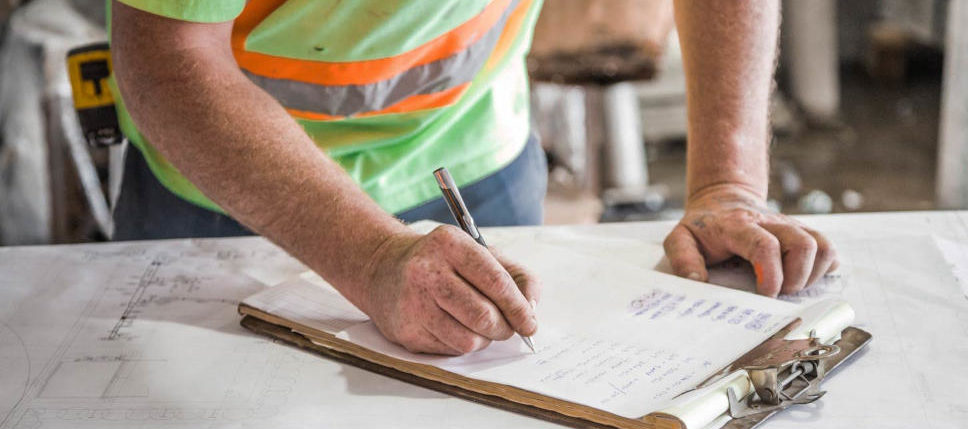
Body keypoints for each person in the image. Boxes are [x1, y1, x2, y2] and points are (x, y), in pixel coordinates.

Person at [109, 0, 839, 356]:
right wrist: (368, 256)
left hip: (476, 158)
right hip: (233, 193)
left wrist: (727, 185)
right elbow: (168, 57)